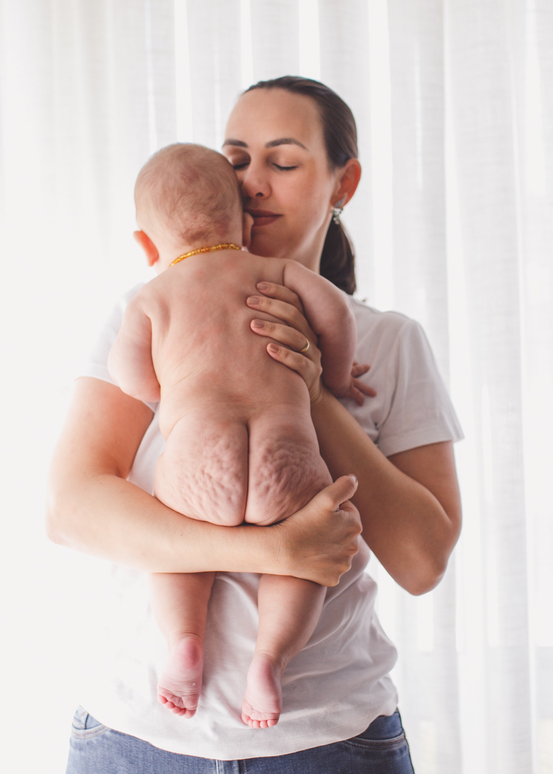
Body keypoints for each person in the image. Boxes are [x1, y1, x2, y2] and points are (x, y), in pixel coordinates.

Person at [48, 75, 465, 771]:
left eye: (283, 160)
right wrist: (274, 553)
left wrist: (315, 393)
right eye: (236, 158)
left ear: (343, 183)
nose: (252, 183)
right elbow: (71, 510)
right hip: (136, 734)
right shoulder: (150, 310)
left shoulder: (384, 343)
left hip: (326, 740)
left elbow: (423, 562)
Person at [110, 142, 367, 729]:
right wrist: (340, 377)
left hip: (199, 462)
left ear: (147, 246)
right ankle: (269, 663)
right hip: (289, 456)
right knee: (301, 558)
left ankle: (184, 643)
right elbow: (338, 316)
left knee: (176, 549)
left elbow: (132, 377)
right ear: (245, 224)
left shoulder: (150, 298)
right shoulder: (278, 272)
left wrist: (170, 389)